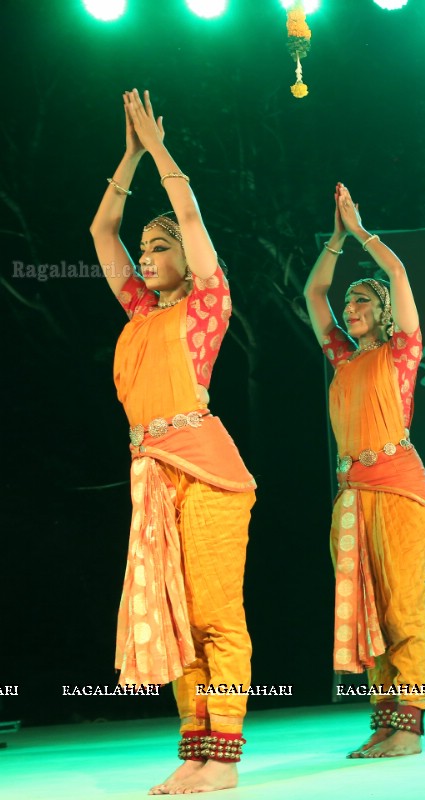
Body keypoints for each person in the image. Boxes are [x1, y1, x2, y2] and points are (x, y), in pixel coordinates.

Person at [89, 90, 256, 793]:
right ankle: (196, 749)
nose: (148, 255)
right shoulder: (140, 311)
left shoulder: (203, 307)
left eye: (162, 247)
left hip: (208, 472)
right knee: (178, 617)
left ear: (188, 260)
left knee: (216, 616)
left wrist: (157, 147)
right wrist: (125, 159)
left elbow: (188, 215)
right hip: (152, 473)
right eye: (146, 248)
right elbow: (102, 233)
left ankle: (225, 757)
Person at [303, 183, 425, 758]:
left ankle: (408, 725)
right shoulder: (342, 358)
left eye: (362, 303)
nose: (349, 310)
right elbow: (313, 293)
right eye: (349, 303)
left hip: (400, 490)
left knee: (402, 605)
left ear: (383, 313)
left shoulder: (400, 352)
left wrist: (359, 233)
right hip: (352, 494)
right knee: (371, 612)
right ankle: (385, 720)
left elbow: (400, 275)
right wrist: (332, 243)